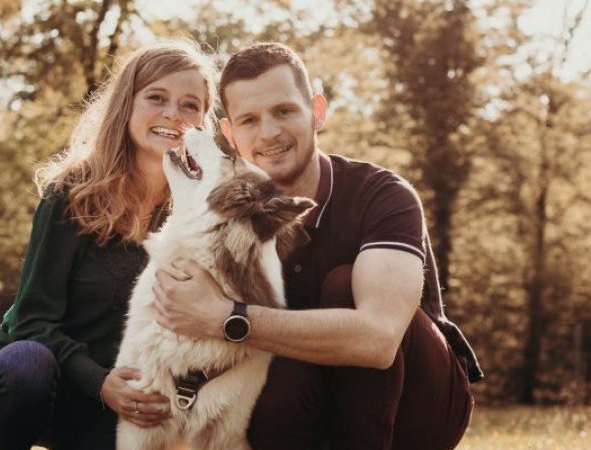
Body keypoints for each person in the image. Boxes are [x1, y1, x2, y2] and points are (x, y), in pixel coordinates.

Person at [153, 42, 483, 450]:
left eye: (284, 111)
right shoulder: (226, 218)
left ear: (318, 111)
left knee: (344, 288)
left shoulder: (382, 194)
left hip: (418, 407)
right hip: (312, 402)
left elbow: (378, 340)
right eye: (250, 120)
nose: (269, 133)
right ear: (230, 135)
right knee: (271, 380)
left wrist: (227, 318)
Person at [0, 40, 218, 450]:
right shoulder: (73, 192)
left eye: (190, 105)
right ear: (127, 105)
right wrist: (98, 382)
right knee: (26, 365)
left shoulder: (197, 210)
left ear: (204, 122)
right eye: (156, 97)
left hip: (117, 402)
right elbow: (31, 319)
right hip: (40, 383)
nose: (173, 114)